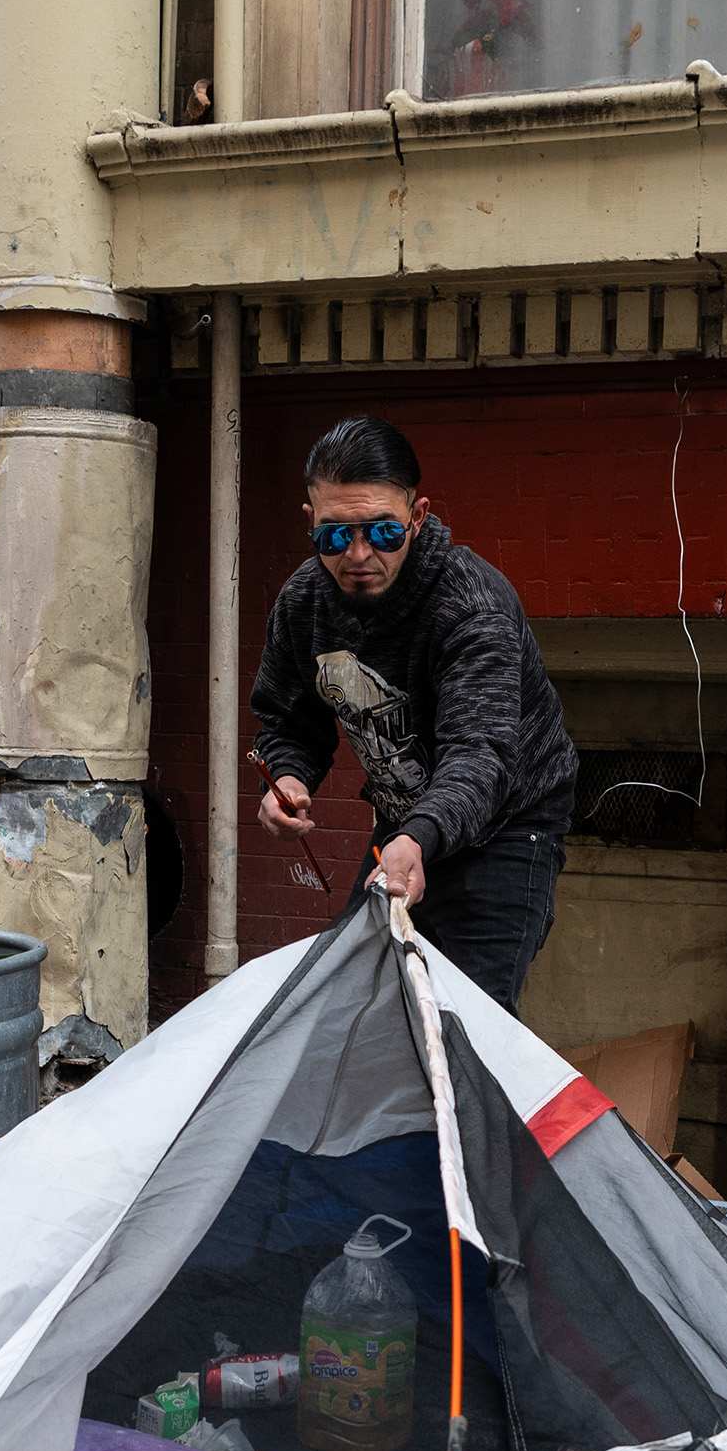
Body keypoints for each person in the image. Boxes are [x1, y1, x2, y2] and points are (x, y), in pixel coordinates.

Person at [249, 414, 577, 1011]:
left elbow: (481, 755)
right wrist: (289, 776)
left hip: (506, 828)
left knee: (465, 1027)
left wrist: (415, 839)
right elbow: (290, 720)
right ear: (310, 522)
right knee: (355, 1009)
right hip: (405, 828)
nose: (357, 554)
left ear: (418, 517)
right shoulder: (302, 603)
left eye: (382, 532)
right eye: (333, 536)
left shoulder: (471, 605)